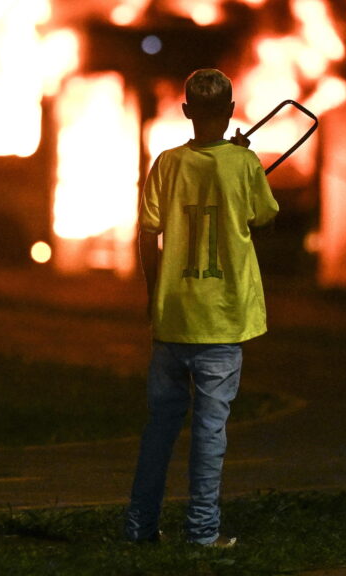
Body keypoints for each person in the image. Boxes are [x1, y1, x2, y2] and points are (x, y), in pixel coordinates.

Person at [124, 68, 279, 547]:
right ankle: (202, 533)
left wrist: (154, 294)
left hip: (174, 320)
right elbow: (265, 215)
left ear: (186, 111)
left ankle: (139, 528)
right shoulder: (243, 164)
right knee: (210, 433)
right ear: (232, 112)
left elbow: (148, 232)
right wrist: (244, 160)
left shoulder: (167, 164)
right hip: (223, 320)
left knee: (159, 431)